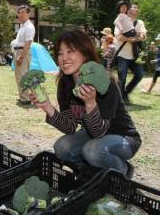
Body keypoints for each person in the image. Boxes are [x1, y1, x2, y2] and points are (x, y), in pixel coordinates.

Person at [29, 30, 141, 177]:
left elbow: (99, 132)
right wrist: (48, 108)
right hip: (92, 136)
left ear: (85, 53)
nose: (64, 58)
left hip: (123, 138)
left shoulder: (104, 82)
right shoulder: (65, 82)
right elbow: (69, 127)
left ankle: (123, 171)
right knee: (62, 147)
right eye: (60, 53)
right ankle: (90, 173)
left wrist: (90, 103)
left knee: (92, 150)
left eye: (70, 51)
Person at [115, 3, 147, 104]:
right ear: (129, 9)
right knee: (122, 77)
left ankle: (126, 92)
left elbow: (144, 35)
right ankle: (121, 99)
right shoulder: (122, 19)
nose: (137, 9)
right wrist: (131, 39)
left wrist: (137, 38)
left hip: (134, 55)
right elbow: (118, 36)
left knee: (140, 74)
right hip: (122, 55)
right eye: (135, 7)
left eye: (138, 7)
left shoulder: (140, 22)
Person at [13, 5, 35, 106]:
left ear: (28, 14)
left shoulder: (29, 27)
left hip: (23, 52)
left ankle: (25, 99)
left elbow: (27, 44)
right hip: (18, 51)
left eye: (23, 12)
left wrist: (21, 57)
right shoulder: (22, 26)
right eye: (19, 12)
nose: (20, 14)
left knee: (22, 77)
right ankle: (24, 97)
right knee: (20, 76)